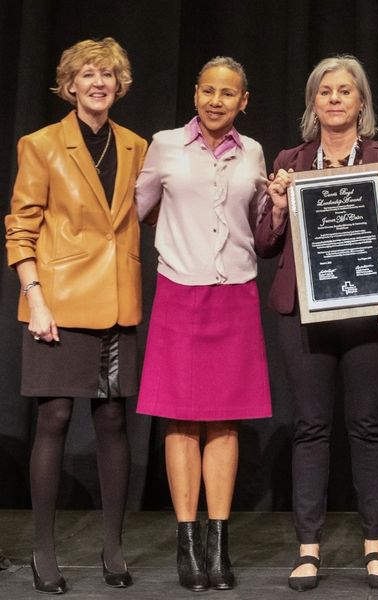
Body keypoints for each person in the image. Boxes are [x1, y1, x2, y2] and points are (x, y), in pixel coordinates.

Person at [255, 54, 378, 591]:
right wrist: (277, 206)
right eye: (325, 91)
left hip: (371, 312)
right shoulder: (290, 159)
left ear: (361, 102)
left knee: (369, 426)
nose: (334, 99)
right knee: (310, 427)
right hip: (304, 312)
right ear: (312, 102)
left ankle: (375, 548)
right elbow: (267, 243)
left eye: (345, 91)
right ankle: (308, 550)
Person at [4, 38, 147, 594]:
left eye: (107, 74)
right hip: (57, 300)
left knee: (112, 420)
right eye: (87, 74)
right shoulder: (40, 144)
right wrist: (34, 296)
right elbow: (21, 225)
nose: (98, 83)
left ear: (118, 84)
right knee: (55, 418)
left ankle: (112, 549)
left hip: (115, 299)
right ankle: (44, 551)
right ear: (69, 85)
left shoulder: (136, 146)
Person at [135, 56, 272, 592]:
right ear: (195, 93)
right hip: (179, 291)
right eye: (208, 90)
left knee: (225, 421)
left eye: (228, 93)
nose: (216, 101)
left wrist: (279, 206)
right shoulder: (166, 144)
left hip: (234, 293)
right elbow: (140, 207)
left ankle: (219, 543)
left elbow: (261, 227)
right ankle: (187, 541)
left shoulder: (254, 151)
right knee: (180, 420)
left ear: (244, 100)